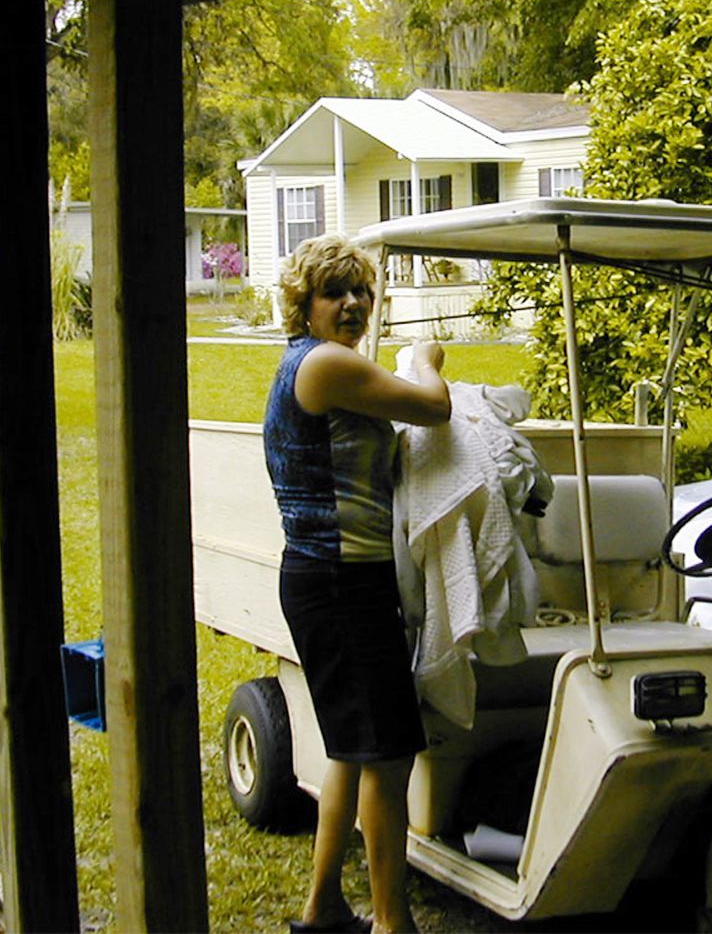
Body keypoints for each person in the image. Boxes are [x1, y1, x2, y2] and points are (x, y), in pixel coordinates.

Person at [264, 234, 451, 934]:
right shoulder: (324, 366)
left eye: (361, 292)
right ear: (304, 306)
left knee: (350, 746)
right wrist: (426, 360)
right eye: (333, 293)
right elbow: (433, 406)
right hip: (340, 581)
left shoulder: (315, 365)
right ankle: (392, 923)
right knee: (388, 753)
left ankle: (322, 910)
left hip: (335, 579)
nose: (351, 304)